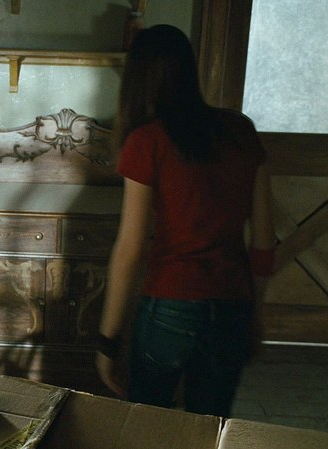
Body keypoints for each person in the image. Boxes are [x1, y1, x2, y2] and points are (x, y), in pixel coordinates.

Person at [96, 24, 275, 417]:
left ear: (137, 78)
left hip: (170, 302)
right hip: (231, 304)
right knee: (209, 426)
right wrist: (255, 317)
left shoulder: (146, 141)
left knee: (148, 424)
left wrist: (108, 340)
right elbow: (264, 242)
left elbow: (130, 250)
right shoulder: (241, 131)